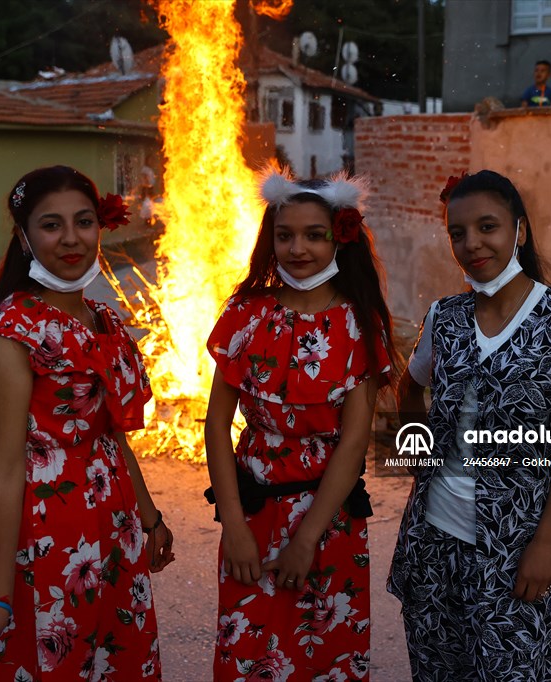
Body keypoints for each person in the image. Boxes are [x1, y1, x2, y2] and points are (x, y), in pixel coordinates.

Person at [0, 166, 174, 680]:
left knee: (120, 663)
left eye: (84, 222)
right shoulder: (12, 339)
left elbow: (113, 436)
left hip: (117, 532)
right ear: (26, 238)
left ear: (102, 228)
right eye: (51, 225)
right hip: (52, 543)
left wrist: (149, 516)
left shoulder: (106, 321)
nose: (71, 239)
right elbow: (2, 473)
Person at [388, 170, 551, 681]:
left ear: (519, 231)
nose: (471, 244)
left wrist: (546, 543)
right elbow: (407, 386)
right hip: (433, 541)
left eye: (488, 227)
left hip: (518, 548)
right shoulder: (446, 317)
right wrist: (418, 450)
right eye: (457, 233)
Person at [204, 169, 397, 680]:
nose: (298, 248)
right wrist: (235, 527)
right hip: (253, 514)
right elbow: (216, 424)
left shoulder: (360, 324)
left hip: (328, 520)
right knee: (249, 649)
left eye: (315, 234)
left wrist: (307, 538)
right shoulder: (245, 316)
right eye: (285, 235)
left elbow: (354, 442)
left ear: (341, 236)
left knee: (323, 654)